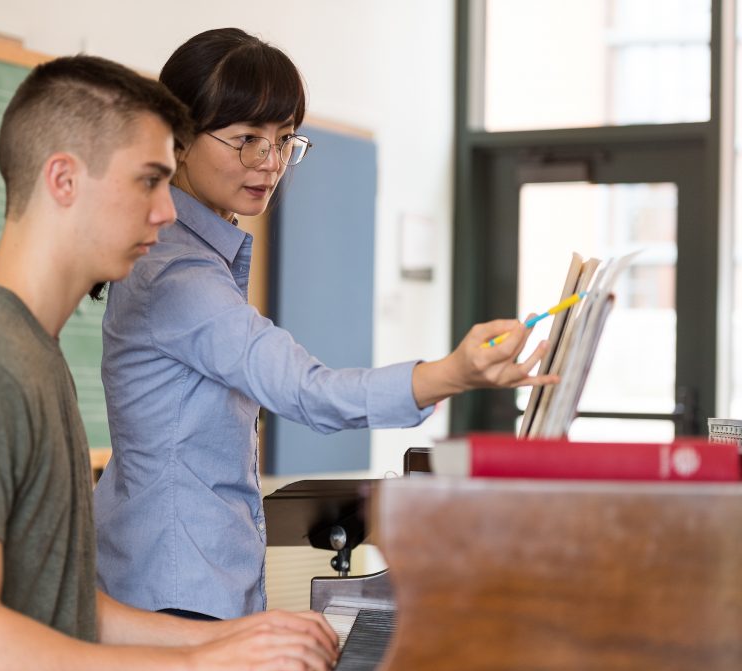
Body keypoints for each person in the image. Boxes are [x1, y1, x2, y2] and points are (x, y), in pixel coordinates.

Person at [0, 55, 338, 671]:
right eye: (148, 181)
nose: (166, 212)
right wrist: (194, 667)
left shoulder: (31, 354)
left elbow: (68, 612)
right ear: (63, 180)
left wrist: (232, 639)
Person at [93, 28, 559, 620]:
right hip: (176, 592)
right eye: (246, 140)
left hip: (172, 575)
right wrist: (451, 373)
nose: (270, 163)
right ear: (179, 139)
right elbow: (305, 389)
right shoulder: (178, 275)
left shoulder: (190, 253)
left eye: (285, 139)